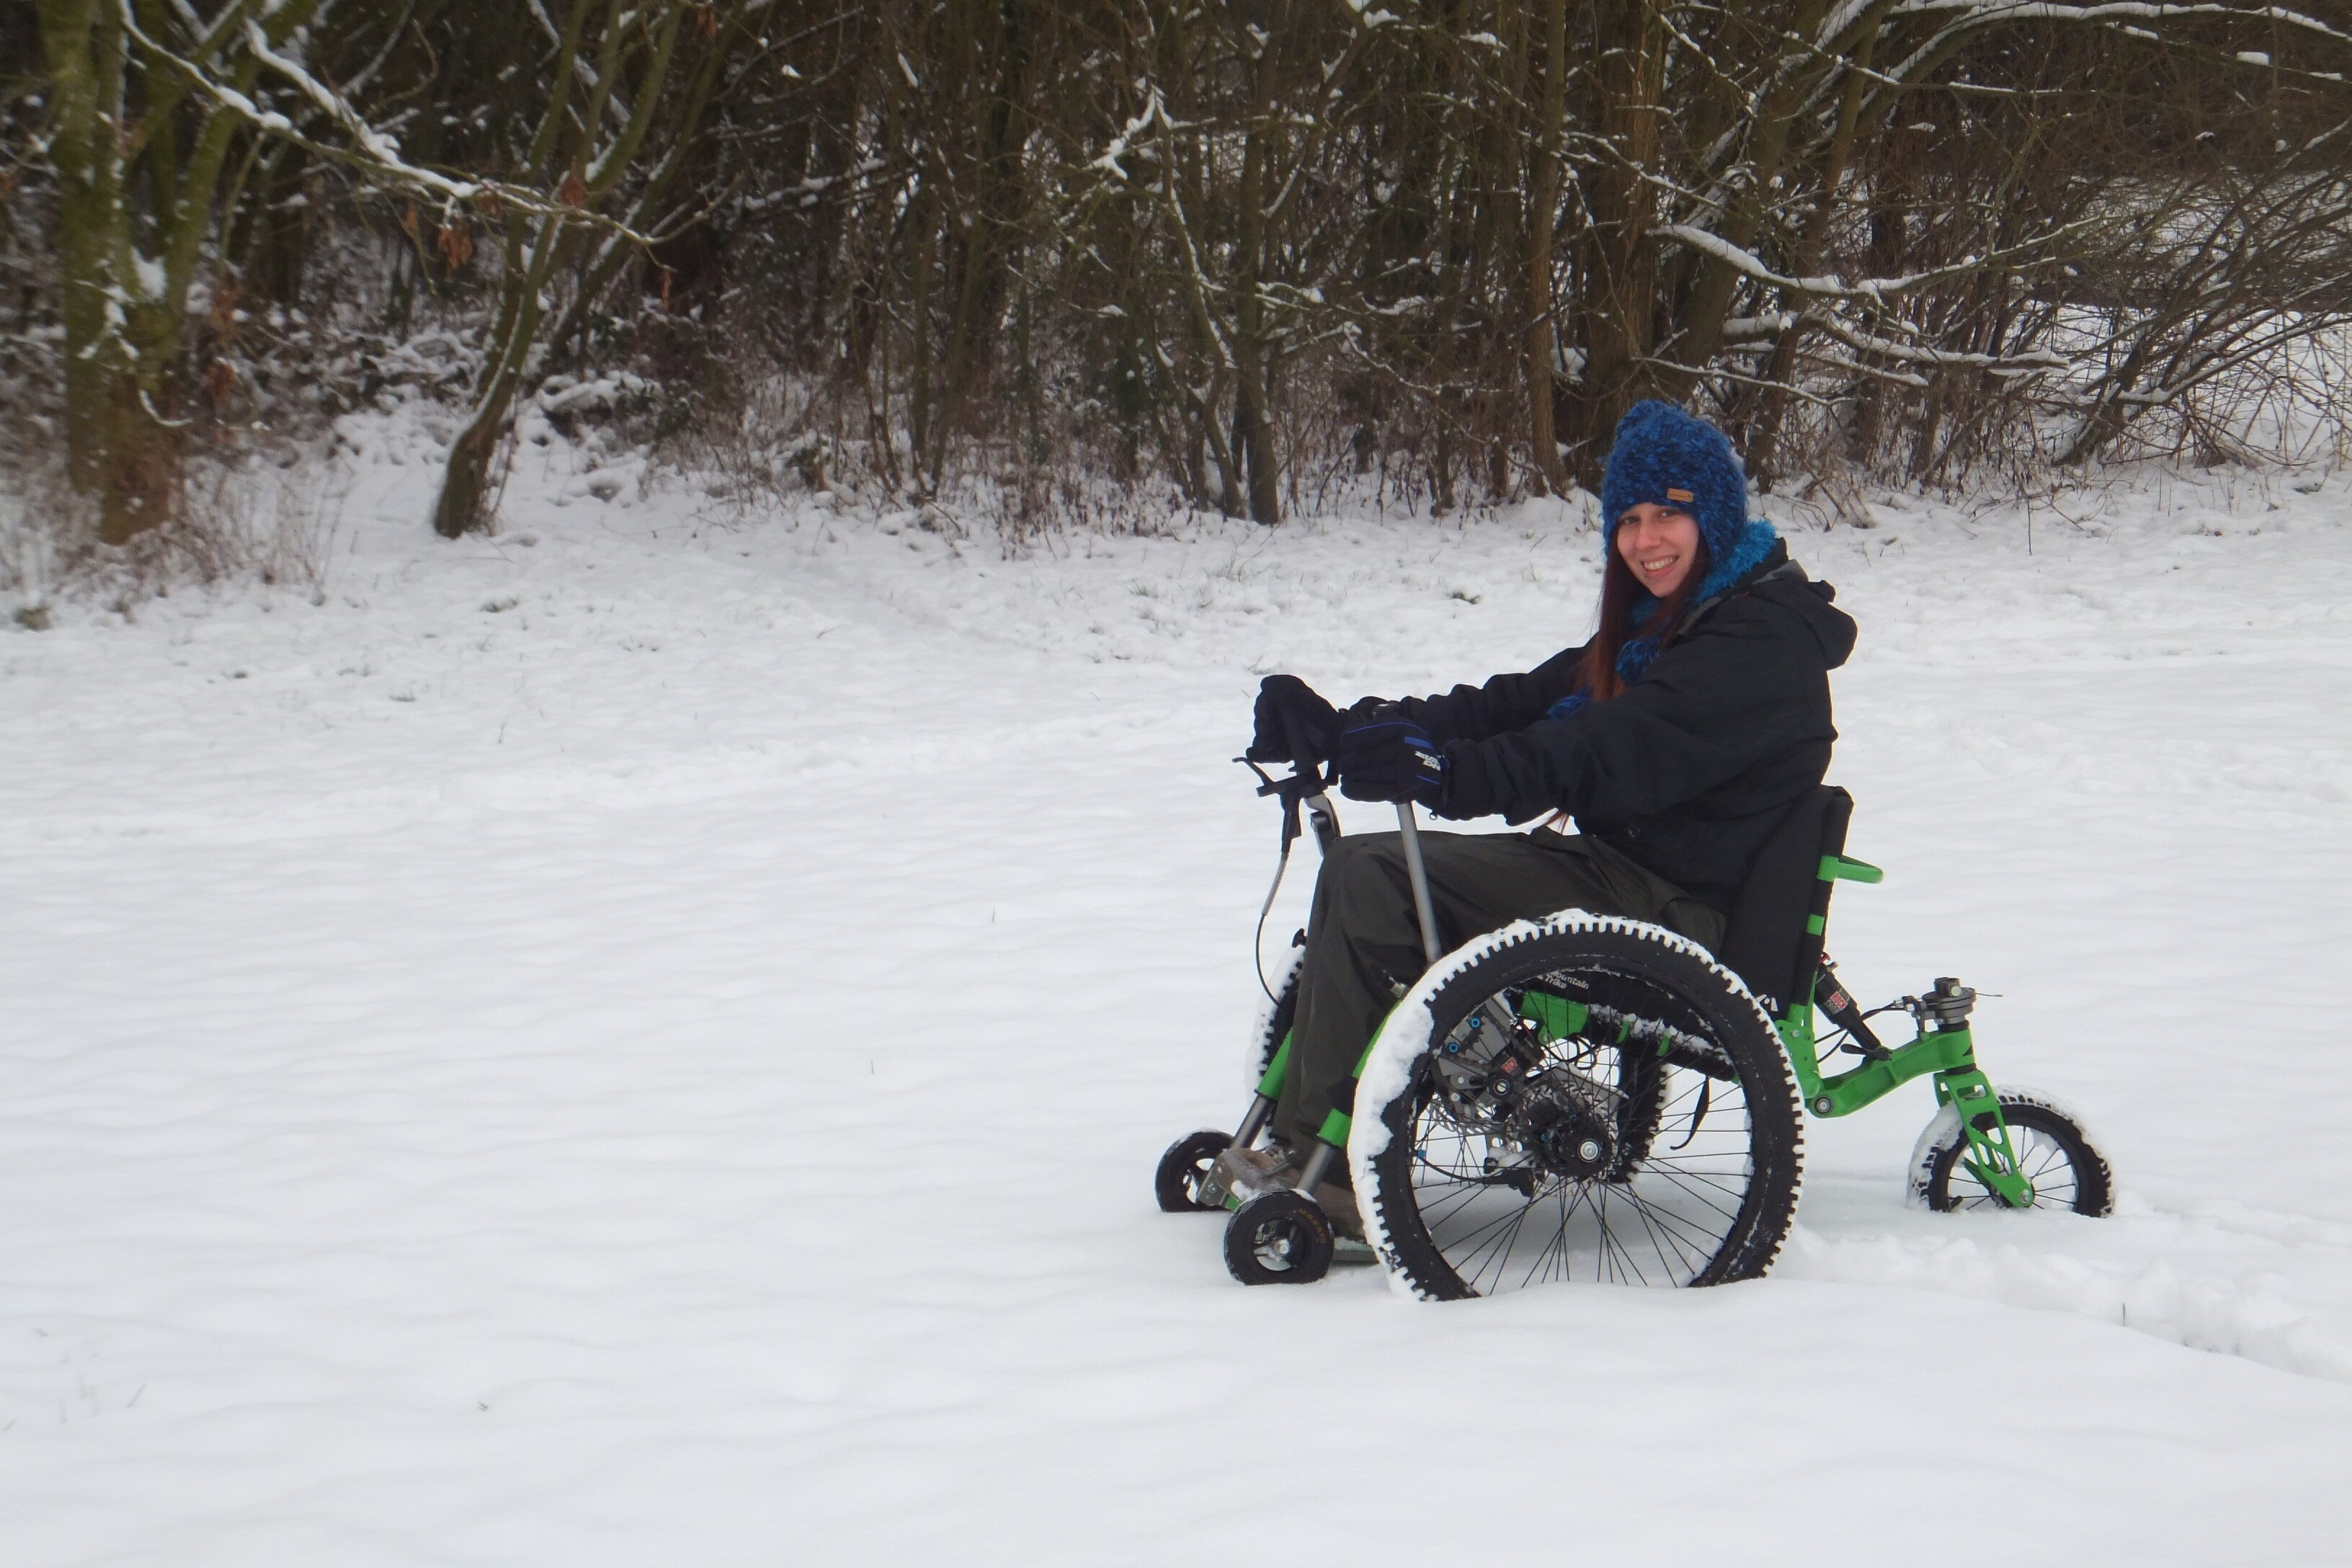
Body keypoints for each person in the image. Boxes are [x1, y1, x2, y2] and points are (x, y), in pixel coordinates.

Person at [1244, 401, 1857, 1162]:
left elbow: (1597, 750)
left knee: (1374, 876)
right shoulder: (1673, 623)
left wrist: (1449, 775)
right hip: (1632, 876)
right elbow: (1521, 703)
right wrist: (1355, 729)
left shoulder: (1755, 645)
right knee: (1357, 871)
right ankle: (1303, 1137)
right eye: (1627, 520)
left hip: (1678, 910)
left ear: (1718, 517)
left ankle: (1325, 1169)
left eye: (1667, 513)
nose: (1643, 540)